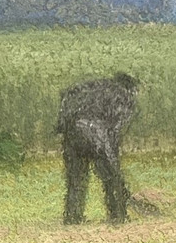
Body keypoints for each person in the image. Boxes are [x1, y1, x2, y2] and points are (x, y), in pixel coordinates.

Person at [56, 72, 139, 224]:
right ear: (131, 88)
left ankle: (72, 217)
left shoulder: (88, 87)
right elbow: (114, 131)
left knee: (76, 178)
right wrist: (114, 165)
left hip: (71, 133)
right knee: (111, 178)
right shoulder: (124, 96)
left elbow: (65, 104)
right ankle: (118, 216)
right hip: (96, 134)